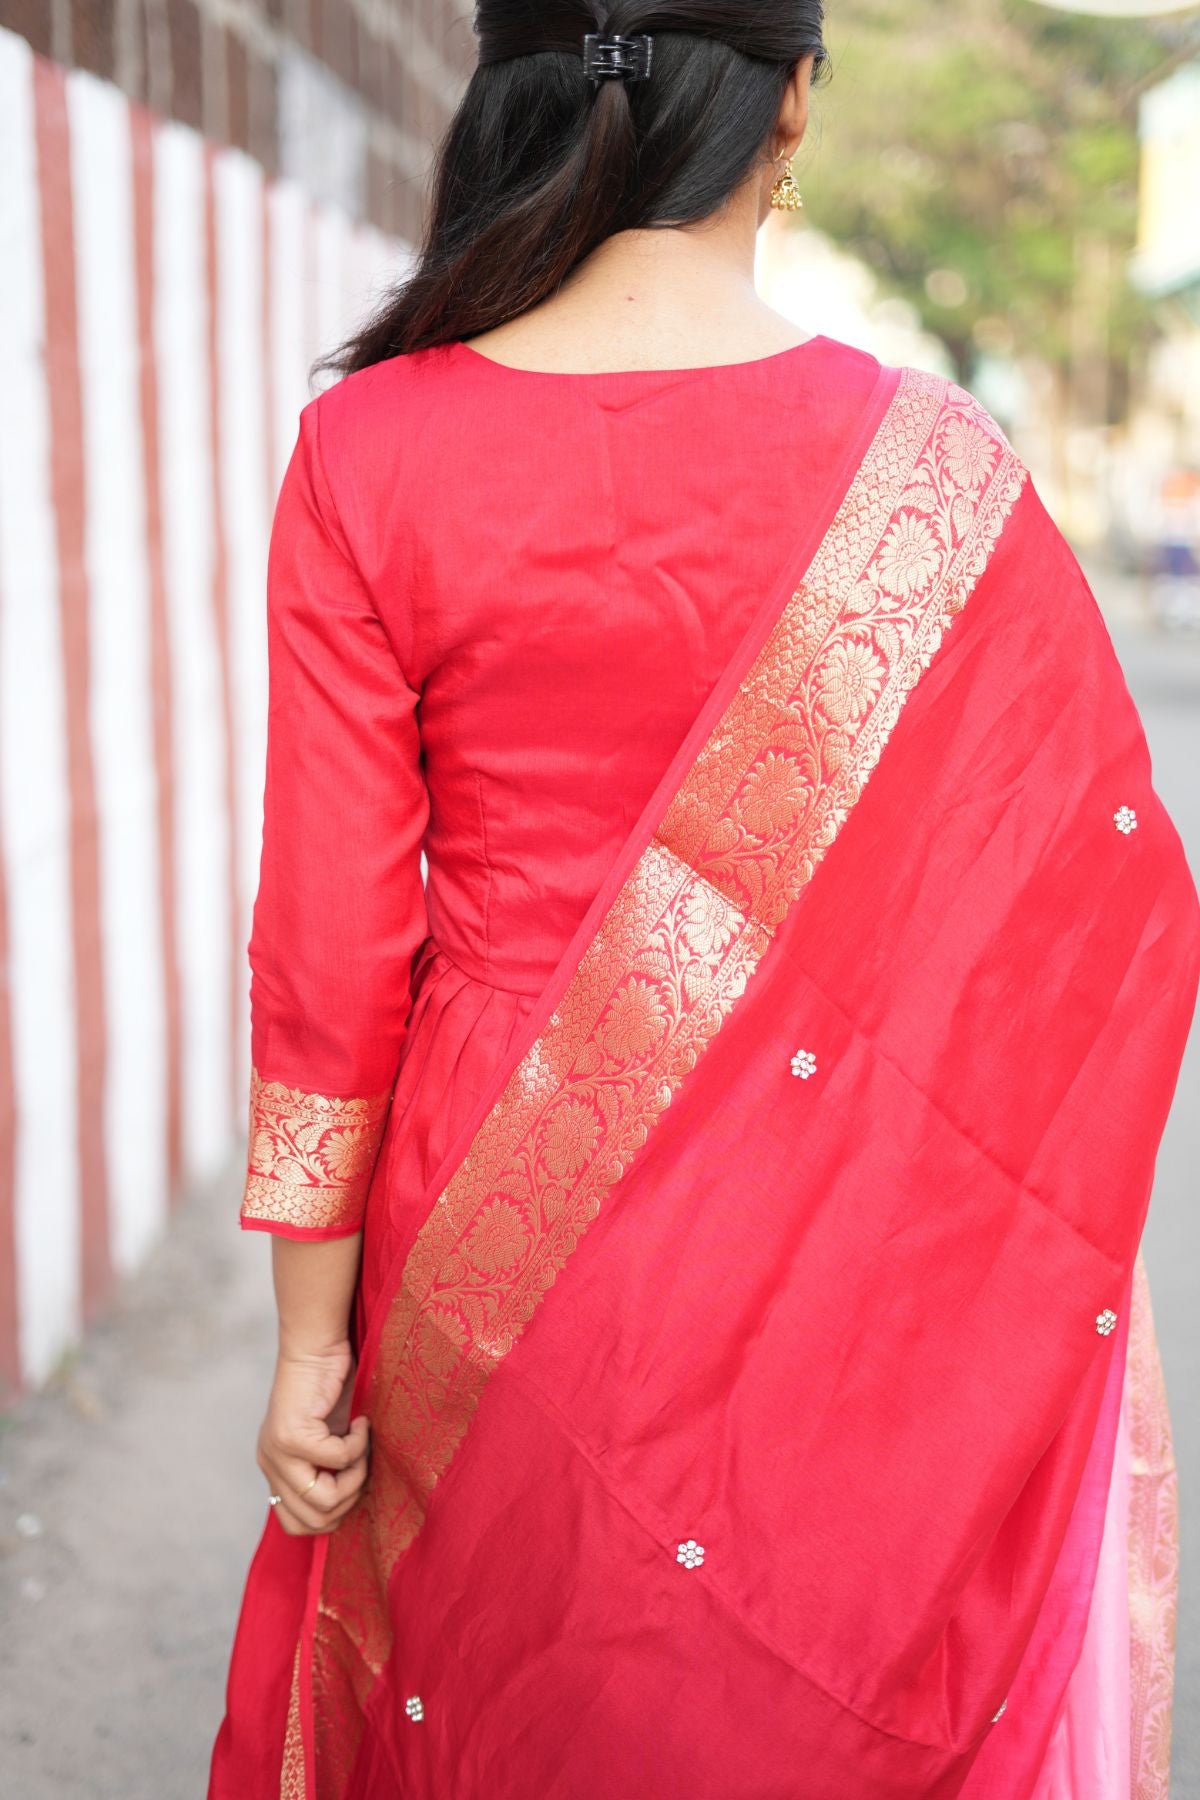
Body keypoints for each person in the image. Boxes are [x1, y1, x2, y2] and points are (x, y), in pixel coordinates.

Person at [207, 3, 1200, 1796]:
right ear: (792, 97)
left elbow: (329, 958)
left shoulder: (366, 455)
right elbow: (1080, 905)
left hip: (480, 1205)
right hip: (840, 1246)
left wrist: (305, 1338)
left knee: (498, 1698)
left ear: (509, 90)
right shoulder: (939, 477)